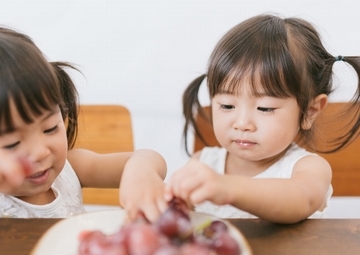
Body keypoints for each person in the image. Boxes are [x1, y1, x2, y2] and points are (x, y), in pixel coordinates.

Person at [0, 26, 167, 249]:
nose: (40, 152)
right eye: (11, 144)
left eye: (50, 128)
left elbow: (147, 158)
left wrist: (141, 170)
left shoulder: (73, 168)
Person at [150, 14, 360, 223]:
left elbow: (301, 199)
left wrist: (226, 187)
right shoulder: (203, 164)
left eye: (265, 108)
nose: (242, 124)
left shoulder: (308, 168)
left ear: (310, 111)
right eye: (227, 105)